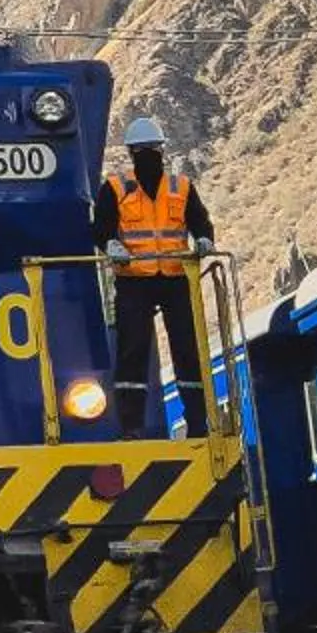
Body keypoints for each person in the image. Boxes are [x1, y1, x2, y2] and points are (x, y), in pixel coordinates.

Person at [93, 113, 215, 437]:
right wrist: (110, 245)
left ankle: (198, 423)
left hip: (175, 277)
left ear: (162, 150)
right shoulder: (115, 188)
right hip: (134, 280)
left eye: (153, 149)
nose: (149, 155)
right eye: (143, 150)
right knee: (132, 351)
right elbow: (100, 227)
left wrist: (204, 239)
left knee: (187, 349)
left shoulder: (182, 187)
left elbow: (201, 221)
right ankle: (131, 425)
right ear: (133, 154)